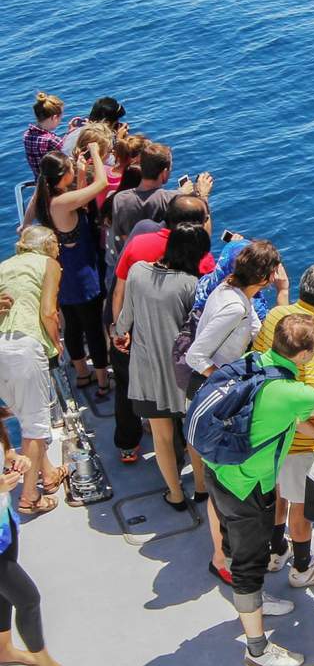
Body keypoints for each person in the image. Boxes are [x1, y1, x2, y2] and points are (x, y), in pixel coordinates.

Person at [205, 314, 314, 666]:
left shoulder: (253, 362)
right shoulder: (290, 392)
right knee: (247, 565)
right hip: (245, 485)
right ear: (304, 355)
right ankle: (257, 650)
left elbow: (290, 419)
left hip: (219, 469)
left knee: (242, 549)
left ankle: (256, 598)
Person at [185, 240, 279, 584]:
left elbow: (257, 331)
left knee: (220, 484)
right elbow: (195, 356)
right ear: (265, 277)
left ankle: (222, 554)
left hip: (220, 392)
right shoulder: (234, 307)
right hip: (217, 397)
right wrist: (231, 383)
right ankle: (225, 560)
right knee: (225, 485)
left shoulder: (235, 292)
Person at [250, 264, 314, 588]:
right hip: (300, 442)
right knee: (301, 509)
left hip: (268, 431)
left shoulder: (276, 317)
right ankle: (302, 569)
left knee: (278, 495)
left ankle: (276, 551)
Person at [109, 194, 217, 464]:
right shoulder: (200, 264)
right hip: (181, 353)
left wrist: (120, 332)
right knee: (185, 415)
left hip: (142, 344)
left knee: (132, 396)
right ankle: (190, 464)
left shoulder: (138, 247)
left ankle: (128, 445)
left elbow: (119, 293)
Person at [113, 223, 206, 509]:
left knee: (162, 437)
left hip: (148, 370)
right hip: (184, 372)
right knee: (192, 433)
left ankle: (175, 495)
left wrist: (119, 334)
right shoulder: (191, 284)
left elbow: (125, 318)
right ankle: (201, 488)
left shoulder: (138, 271)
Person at [0, 424, 83, 666]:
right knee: (28, 599)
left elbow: (6, 453)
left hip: (4, 522)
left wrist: (16, 460)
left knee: (3, 593)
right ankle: (47, 665)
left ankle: (3, 648)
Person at [32, 146, 110, 398]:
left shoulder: (46, 199)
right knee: (93, 329)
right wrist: (95, 153)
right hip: (83, 277)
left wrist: (79, 171)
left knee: (73, 326)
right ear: (62, 176)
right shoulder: (62, 202)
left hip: (62, 276)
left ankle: (82, 373)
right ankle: (103, 382)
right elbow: (102, 183)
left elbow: (81, 200)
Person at [0, 227, 64, 516]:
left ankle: (48, 475)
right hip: (24, 348)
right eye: (56, 244)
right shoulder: (49, 264)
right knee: (36, 427)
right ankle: (29, 498)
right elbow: (48, 311)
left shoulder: (5, 265)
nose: (59, 249)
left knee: (26, 416)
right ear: (48, 245)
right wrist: (56, 343)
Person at [106, 142, 210, 274]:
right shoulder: (172, 199)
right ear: (164, 173)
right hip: (156, 270)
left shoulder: (120, 198)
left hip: (122, 267)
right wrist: (202, 195)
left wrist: (179, 193)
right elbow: (201, 235)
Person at [22, 92, 76, 179]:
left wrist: (68, 132)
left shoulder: (26, 135)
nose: (60, 121)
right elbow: (69, 152)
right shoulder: (50, 140)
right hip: (56, 183)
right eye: (60, 118)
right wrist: (71, 134)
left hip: (39, 182)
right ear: (54, 118)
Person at [60, 96, 126, 157]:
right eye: (115, 123)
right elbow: (113, 162)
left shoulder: (77, 131)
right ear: (107, 123)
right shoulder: (97, 138)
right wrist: (119, 141)